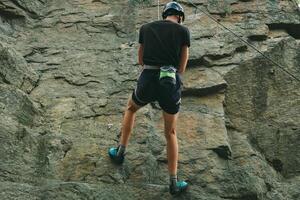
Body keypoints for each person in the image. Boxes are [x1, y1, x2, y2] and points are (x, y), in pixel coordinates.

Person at [108, 1, 190, 196]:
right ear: (179, 16)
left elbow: (140, 60)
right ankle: (173, 183)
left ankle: (120, 152)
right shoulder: (183, 31)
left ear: (165, 14)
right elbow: (182, 68)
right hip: (169, 82)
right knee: (170, 132)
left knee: (131, 108)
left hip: (148, 78)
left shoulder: (146, 28)